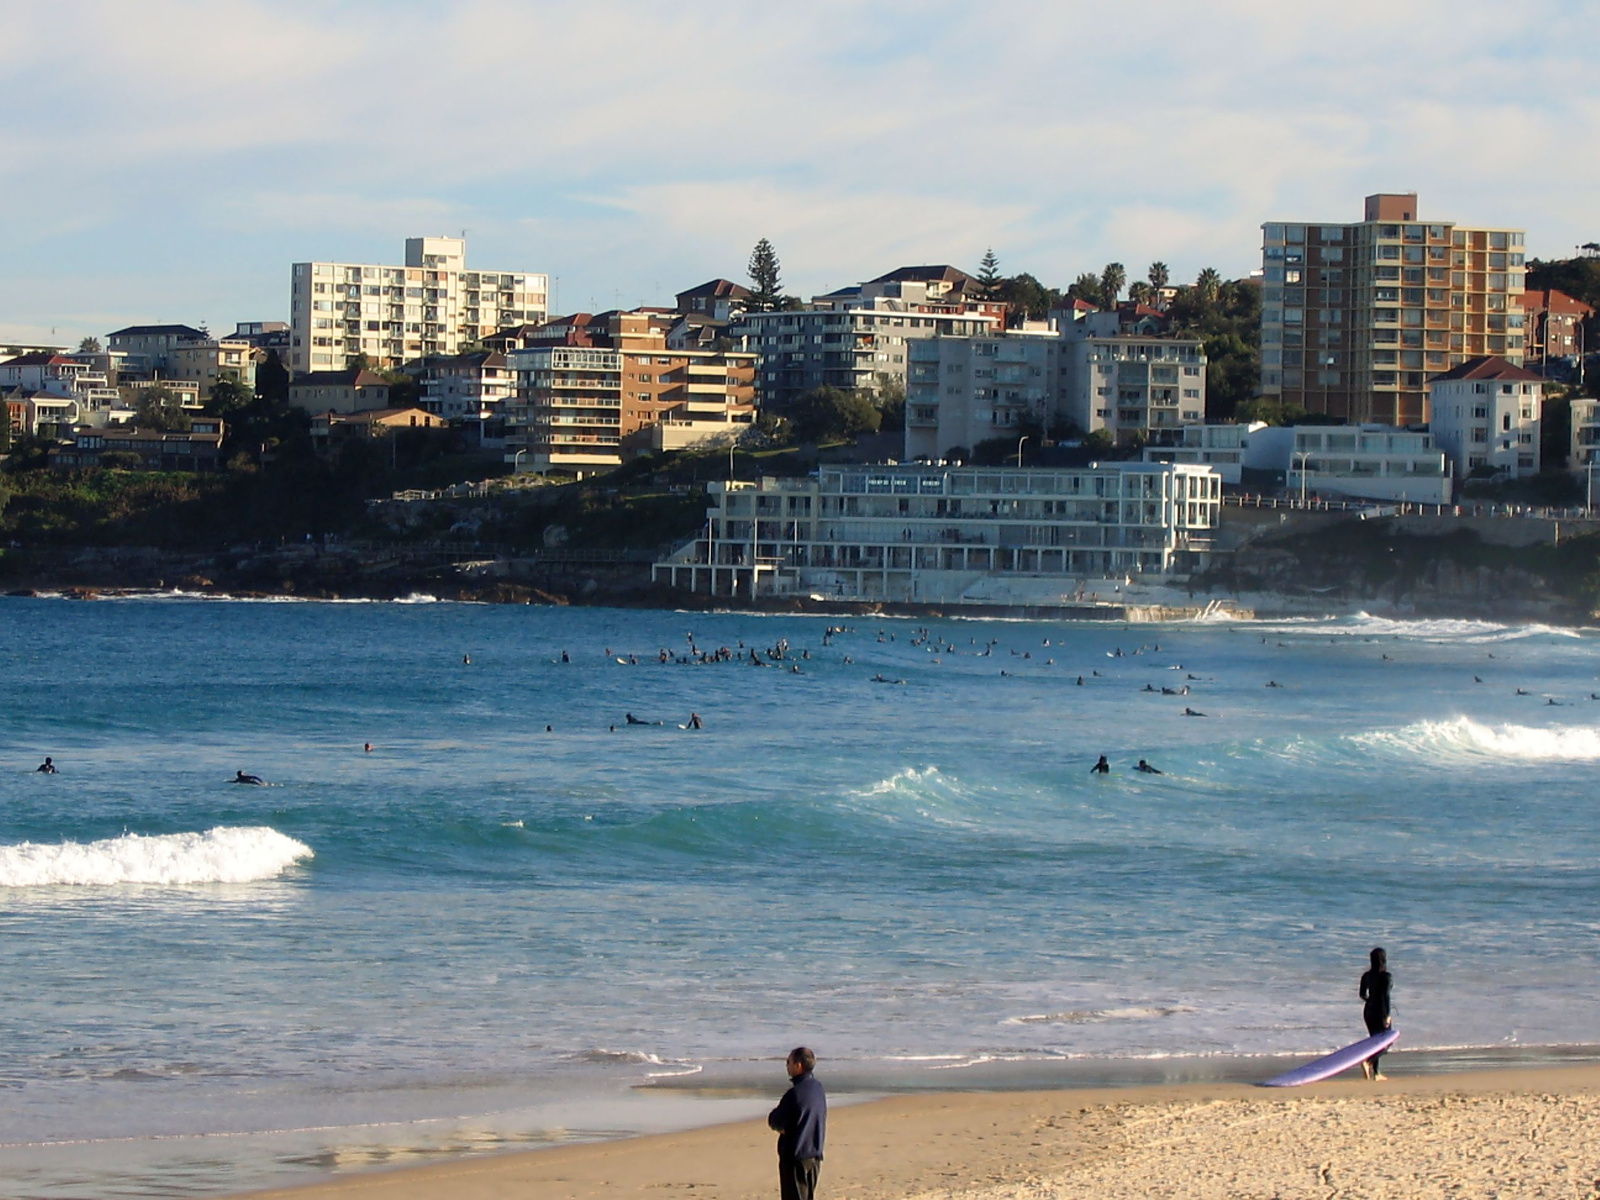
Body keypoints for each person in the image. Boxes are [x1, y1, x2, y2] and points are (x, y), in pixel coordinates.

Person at [768, 1047, 825, 1200]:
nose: (787, 1066)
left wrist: (781, 1126)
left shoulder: (794, 1094)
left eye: (789, 1062)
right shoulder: (818, 1088)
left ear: (798, 1065)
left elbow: (775, 1120)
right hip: (814, 1154)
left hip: (796, 1157)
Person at [1359, 947, 1392, 1081]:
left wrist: (1370, 1001)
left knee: (1375, 1041)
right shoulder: (1386, 976)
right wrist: (1387, 1015)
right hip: (1381, 1011)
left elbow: (1362, 994)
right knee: (1387, 1042)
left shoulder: (1366, 976)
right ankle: (1369, 1062)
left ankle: (1377, 1073)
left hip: (1368, 1010)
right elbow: (1386, 997)